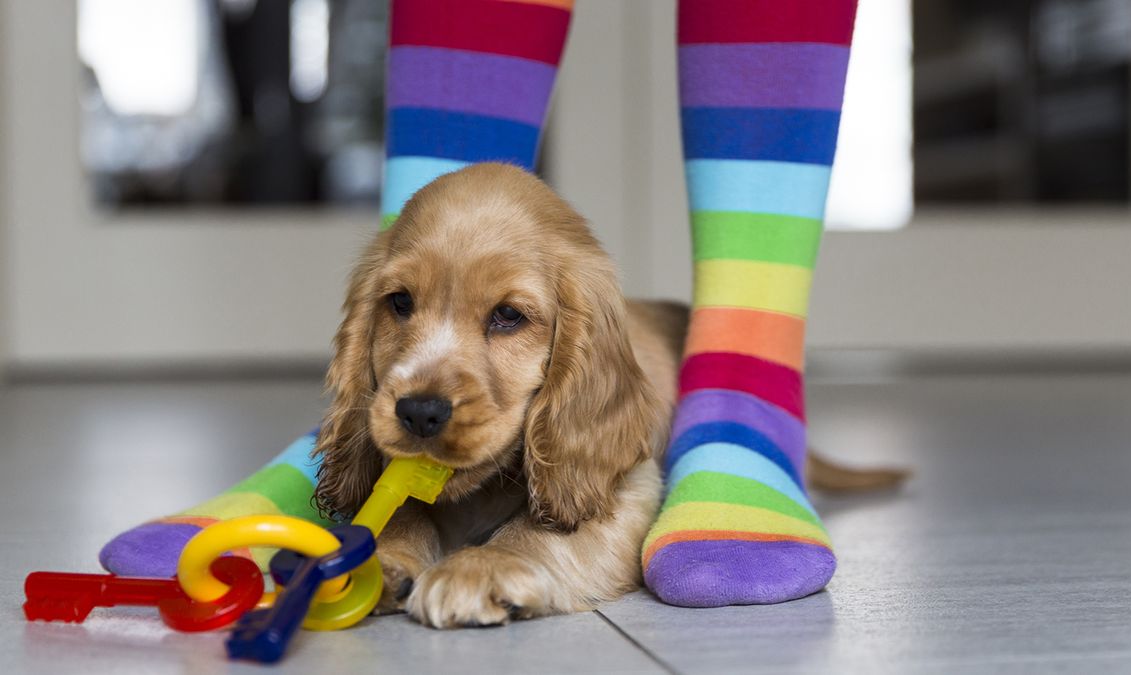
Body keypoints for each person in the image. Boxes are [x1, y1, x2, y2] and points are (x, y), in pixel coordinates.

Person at [101, 0, 859, 608]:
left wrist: (519, 553)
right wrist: (399, 542)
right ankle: (331, 469)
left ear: (572, 341)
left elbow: (613, 500)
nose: (427, 386)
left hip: (611, 425)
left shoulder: (589, 366)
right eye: (401, 301)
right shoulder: (405, 379)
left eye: (506, 316)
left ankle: (744, 399)